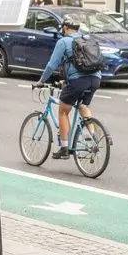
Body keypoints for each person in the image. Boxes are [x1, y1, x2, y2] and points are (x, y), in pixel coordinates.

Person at [36, 14, 101, 160]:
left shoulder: (64, 41)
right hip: (96, 79)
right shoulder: (88, 39)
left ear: (65, 28)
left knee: (63, 111)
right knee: (83, 106)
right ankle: (92, 136)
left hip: (78, 81)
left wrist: (41, 81)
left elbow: (52, 65)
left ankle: (64, 148)